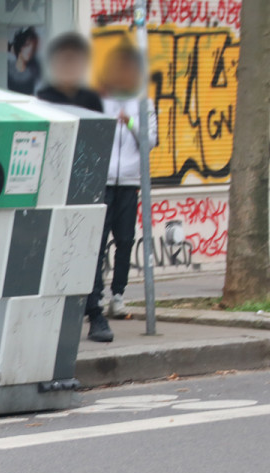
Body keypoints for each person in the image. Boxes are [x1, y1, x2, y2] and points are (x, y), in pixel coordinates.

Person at [36, 33, 112, 343]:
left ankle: (94, 312)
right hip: (56, 184)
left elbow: (98, 141)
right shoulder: (44, 96)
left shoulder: (91, 99)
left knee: (91, 250)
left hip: (87, 182)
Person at [98, 44, 157, 330]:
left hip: (130, 182)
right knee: (96, 242)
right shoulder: (100, 100)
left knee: (124, 241)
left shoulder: (143, 103)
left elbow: (151, 140)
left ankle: (117, 296)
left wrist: (130, 120)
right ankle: (93, 297)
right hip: (104, 182)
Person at [7, 27, 41, 95]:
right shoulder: (8, 66)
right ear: (19, 46)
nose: (30, 50)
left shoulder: (36, 68)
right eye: (27, 45)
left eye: (32, 47)